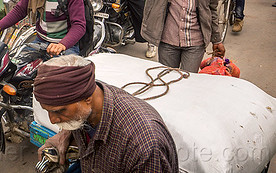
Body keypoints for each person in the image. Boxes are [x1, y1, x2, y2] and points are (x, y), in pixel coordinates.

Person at [35, 55, 179, 172]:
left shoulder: (144, 145)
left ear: (87, 98)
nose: (52, 120)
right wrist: (65, 134)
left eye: (59, 111)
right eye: (47, 111)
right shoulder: (87, 99)